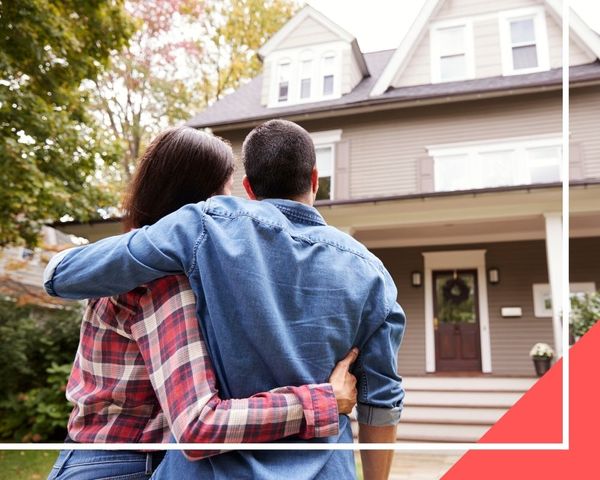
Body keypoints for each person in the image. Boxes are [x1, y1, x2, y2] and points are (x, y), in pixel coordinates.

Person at [44, 120, 406, 480]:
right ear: (314, 180)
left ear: (248, 188)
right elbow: (382, 403)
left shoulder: (203, 231)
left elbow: (61, 276)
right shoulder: (373, 274)